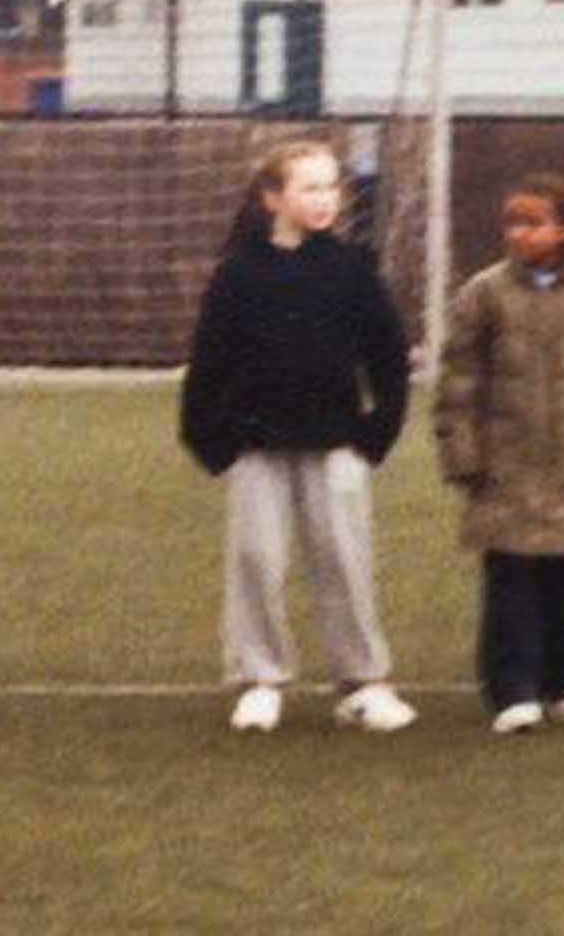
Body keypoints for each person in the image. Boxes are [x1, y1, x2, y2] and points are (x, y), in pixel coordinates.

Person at [180, 140, 417, 735]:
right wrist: (210, 437)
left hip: (336, 443)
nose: (324, 199)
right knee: (256, 558)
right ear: (273, 198)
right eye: (308, 187)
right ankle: (260, 678)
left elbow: (388, 356)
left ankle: (362, 681)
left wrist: (377, 429)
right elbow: (209, 360)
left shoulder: (351, 268)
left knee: (343, 559)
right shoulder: (238, 272)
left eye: (331, 187)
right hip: (258, 444)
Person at [436, 172, 564, 734]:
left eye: (534, 222)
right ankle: (512, 690)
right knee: (510, 581)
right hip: (505, 467)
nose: (520, 233)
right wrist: (463, 454)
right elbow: (458, 381)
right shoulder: (484, 293)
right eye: (513, 223)